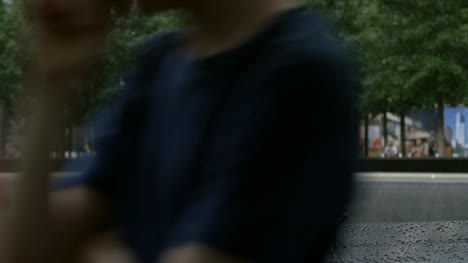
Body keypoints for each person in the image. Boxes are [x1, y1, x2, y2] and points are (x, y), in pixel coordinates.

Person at [2, 0, 356, 263]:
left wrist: (89, 251)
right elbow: (29, 250)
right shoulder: (159, 63)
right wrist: (51, 83)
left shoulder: (299, 76)